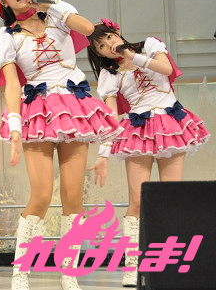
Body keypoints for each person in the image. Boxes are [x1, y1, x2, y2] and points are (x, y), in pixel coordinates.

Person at [0, 0, 121, 290]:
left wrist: (48, 3)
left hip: (74, 105)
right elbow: (11, 85)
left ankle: (69, 272)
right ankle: (21, 272)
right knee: (42, 195)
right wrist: (15, 126)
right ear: (3, 1)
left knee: (74, 196)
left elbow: (89, 29)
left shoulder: (58, 14)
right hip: (38, 109)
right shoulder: (6, 36)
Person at [86, 19, 210, 287]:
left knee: (171, 198)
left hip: (170, 124)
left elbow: (166, 69)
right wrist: (103, 154)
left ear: (117, 32)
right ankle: (133, 266)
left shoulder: (150, 45)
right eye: (101, 47)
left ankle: (170, 264)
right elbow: (111, 116)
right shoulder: (109, 74)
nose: (108, 46)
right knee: (137, 201)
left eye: (109, 38)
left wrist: (133, 56)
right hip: (138, 129)